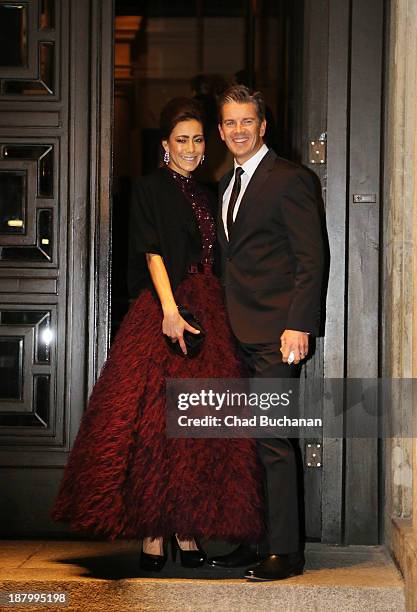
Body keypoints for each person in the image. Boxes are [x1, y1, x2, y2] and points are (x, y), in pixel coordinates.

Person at [51, 97, 263, 572]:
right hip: (165, 309)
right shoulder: (148, 189)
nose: (190, 148)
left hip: (210, 311)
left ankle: (186, 532)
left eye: (197, 139)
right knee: (151, 429)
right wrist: (169, 309)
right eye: (181, 140)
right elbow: (151, 252)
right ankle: (152, 533)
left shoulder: (211, 192)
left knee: (193, 431)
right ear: (165, 145)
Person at [207, 85, 325, 580]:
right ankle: (252, 539)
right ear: (221, 130)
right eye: (229, 123)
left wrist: (299, 324)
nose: (238, 130)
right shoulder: (224, 183)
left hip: (277, 334)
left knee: (274, 440)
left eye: (246, 122)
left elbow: (310, 258)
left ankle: (286, 551)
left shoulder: (290, 179)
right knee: (244, 443)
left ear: (262, 126)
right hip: (234, 333)